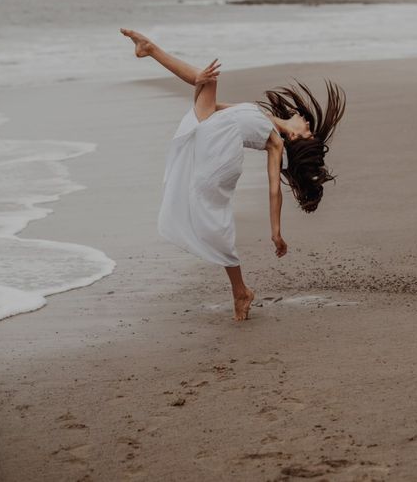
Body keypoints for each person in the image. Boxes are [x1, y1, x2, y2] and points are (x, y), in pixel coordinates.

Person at [121, 28, 346, 321]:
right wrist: (199, 85)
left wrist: (276, 232)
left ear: (298, 138)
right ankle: (240, 291)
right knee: (207, 79)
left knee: (208, 78)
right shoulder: (264, 118)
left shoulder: (276, 143)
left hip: (218, 151)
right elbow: (214, 108)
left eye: (307, 129)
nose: (306, 121)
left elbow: (274, 190)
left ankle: (150, 49)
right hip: (212, 136)